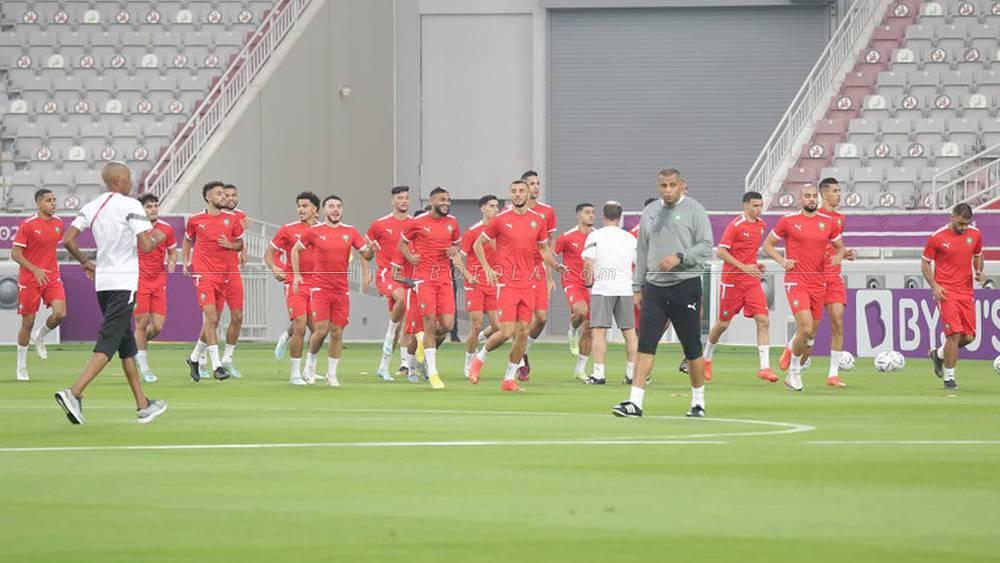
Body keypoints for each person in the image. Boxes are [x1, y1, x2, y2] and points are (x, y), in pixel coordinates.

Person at [55, 162, 167, 424]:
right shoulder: (130, 205)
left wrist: (85, 261)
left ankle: (142, 405)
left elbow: (68, 239)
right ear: (118, 180)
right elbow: (147, 245)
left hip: (103, 283)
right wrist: (159, 238)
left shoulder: (91, 206)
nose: (131, 181)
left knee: (126, 344)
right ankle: (74, 392)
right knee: (109, 339)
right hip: (124, 281)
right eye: (128, 177)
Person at [612, 169, 713, 418]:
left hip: (685, 285)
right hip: (655, 288)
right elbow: (642, 251)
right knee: (645, 344)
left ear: (682, 186)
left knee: (691, 348)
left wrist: (681, 256)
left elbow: (706, 246)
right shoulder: (650, 212)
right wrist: (637, 286)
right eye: (663, 186)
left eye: (672, 185)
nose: (667, 190)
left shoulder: (695, 210)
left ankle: (698, 402)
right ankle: (635, 402)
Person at [467, 180, 567, 391]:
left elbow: (542, 251)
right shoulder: (501, 220)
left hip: (528, 283)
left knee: (522, 332)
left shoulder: (538, 220)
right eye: (514, 191)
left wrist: (556, 266)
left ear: (528, 193)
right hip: (507, 283)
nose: (518, 194)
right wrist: (486, 268)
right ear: (510, 195)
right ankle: (479, 358)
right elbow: (478, 244)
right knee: (505, 331)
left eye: (522, 191)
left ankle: (508, 379)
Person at [762, 184, 845, 392]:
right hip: (796, 280)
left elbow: (839, 246)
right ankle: (794, 372)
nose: (811, 199)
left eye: (813, 196)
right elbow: (768, 245)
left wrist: (839, 256)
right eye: (807, 196)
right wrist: (782, 261)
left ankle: (792, 352)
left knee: (810, 335)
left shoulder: (828, 223)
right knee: (806, 327)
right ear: (800, 199)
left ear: (818, 198)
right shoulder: (788, 221)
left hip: (819, 283)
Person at [291, 195, 375, 386]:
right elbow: (295, 250)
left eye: (338, 206)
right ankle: (310, 363)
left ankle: (332, 373)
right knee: (321, 330)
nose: (335, 209)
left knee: (337, 332)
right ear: (323, 211)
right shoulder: (314, 232)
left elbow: (366, 255)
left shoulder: (350, 231)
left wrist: (372, 250)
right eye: (331, 206)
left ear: (342, 211)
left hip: (341, 290)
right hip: (320, 288)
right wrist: (297, 275)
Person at [703, 191, 776, 383]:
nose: (758, 209)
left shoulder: (761, 225)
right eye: (754, 205)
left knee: (763, 320)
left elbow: (748, 253)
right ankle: (707, 358)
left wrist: (756, 265)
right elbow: (720, 252)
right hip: (732, 282)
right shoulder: (735, 226)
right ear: (745, 206)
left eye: (760, 205)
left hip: (751, 282)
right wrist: (744, 267)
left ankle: (765, 367)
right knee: (723, 324)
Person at [398, 187, 462, 389]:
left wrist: (455, 249)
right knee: (428, 323)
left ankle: (422, 349)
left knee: (446, 325)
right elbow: (402, 243)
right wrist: (410, 257)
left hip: (444, 278)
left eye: (448, 200)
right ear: (432, 201)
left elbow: (458, 244)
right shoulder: (418, 222)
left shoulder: (452, 222)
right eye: (442, 199)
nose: (446, 203)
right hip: (424, 278)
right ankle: (433, 372)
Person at [182, 181, 244, 382]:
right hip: (204, 274)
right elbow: (187, 240)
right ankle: (217, 365)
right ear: (208, 197)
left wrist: (231, 245)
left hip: (226, 275)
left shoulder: (232, 219)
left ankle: (193, 358)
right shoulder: (195, 220)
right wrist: (186, 262)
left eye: (224, 194)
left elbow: (240, 244)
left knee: (215, 320)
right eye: (219, 194)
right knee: (210, 317)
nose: (223, 197)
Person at [923, 203, 984, 390]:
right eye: (960, 223)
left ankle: (938, 354)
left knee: (969, 337)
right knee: (954, 334)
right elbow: (925, 264)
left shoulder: (975, 234)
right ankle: (949, 379)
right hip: (946, 292)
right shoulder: (937, 237)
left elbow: (978, 255)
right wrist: (934, 286)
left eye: (967, 224)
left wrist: (979, 270)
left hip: (966, 291)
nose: (964, 227)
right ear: (953, 216)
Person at [265, 191, 320, 385]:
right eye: (299, 206)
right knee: (300, 323)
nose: (301, 210)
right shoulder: (288, 230)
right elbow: (269, 254)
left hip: (319, 286)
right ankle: (294, 374)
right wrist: (275, 268)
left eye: (305, 206)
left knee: (318, 330)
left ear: (315, 209)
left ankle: (308, 367)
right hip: (295, 283)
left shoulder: (324, 230)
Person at [12, 189, 67, 381]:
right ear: (38, 204)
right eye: (48, 200)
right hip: (30, 279)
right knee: (27, 322)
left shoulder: (59, 224)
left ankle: (40, 336)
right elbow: (15, 254)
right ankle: (21, 366)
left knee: (60, 313)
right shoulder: (28, 225)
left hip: (52, 276)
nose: (53, 203)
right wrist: (35, 269)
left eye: (54, 200)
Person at [581, 201, 637, 385]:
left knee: (599, 332)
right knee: (629, 332)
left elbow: (588, 262)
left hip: (603, 289)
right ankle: (631, 373)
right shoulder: (630, 238)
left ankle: (598, 373)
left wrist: (589, 286)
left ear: (603, 216)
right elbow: (639, 265)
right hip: (625, 288)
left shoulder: (595, 235)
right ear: (620, 217)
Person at [365, 186, 413, 381]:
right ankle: (392, 331)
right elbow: (366, 252)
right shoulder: (379, 224)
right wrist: (369, 255)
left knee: (405, 322)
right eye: (400, 198)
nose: (403, 201)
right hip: (387, 274)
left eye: (406, 198)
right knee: (400, 305)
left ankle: (385, 366)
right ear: (392, 201)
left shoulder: (414, 224)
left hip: (408, 276)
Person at [813, 177, 856, 387]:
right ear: (824, 194)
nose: (839, 194)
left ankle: (833, 374)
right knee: (810, 328)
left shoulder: (840, 218)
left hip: (834, 277)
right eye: (835, 191)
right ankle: (794, 353)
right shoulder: (814, 216)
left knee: (838, 321)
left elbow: (835, 246)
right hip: (815, 277)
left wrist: (844, 253)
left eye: (840, 190)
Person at [517, 170, 558, 382]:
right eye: (531, 183)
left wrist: (550, 275)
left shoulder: (547, 211)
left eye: (537, 183)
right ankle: (521, 361)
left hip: (538, 270)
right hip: (517, 271)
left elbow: (548, 244)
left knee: (541, 318)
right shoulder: (511, 213)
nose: (535, 187)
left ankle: (523, 348)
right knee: (520, 319)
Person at [133, 193, 177, 383]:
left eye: (155, 206)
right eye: (149, 206)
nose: (153, 209)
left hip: (159, 280)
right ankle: (144, 366)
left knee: (157, 326)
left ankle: (138, 349)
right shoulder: (134, 230)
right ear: (141, 210)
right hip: (139, 279)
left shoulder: (167, 229)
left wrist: (173, 261)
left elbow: (173, 251)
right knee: (141, 323)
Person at [460, 194, 501, 378]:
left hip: (493, 283)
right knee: (475, 325)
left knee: (498, 327)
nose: (495, 209)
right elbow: (457, 258)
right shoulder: (472, 232)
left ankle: (479, 339)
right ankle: (469, 360)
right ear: (483, 209)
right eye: (491, 206)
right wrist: (468, 275)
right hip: (474, 283)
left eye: (497, 206)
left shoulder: (501, 231)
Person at [554, 202, 596, 380]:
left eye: (593, 213)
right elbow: (549, 253)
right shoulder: (567, 237)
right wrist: (553, 271)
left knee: (590, 329)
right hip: (573, 282)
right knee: (580, 311)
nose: (591, 215)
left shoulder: (598, 236)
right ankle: (572, 330)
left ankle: (580, 369)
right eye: (587, 212)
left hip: (594, 285)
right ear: (578, 215)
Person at [216, 183, 247, 377]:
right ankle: (200, 359)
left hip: (232, 271)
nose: (230, 198)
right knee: (213, 319)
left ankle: (227, 359)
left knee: (237, 317)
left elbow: (240, 239)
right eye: (226, 195)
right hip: (214, 273)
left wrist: (244, 252)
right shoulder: (212, 216)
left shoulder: (241, 216)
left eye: (233, 195)